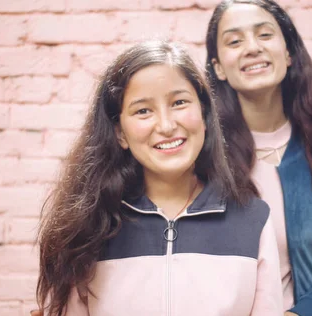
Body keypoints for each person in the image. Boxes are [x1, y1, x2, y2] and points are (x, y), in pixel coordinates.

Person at [34, 40, 283, 316]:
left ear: (204, 115)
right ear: (120, 133)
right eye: (143, 110)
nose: (165, 126)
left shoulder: (253, 219)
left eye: (179, 102)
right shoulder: (88, 228)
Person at [204, 1, 312, 315]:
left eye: (264, 35)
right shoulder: (203, 155)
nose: (252, 48)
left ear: (287, 53)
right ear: (218, 66)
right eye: (235, 41)